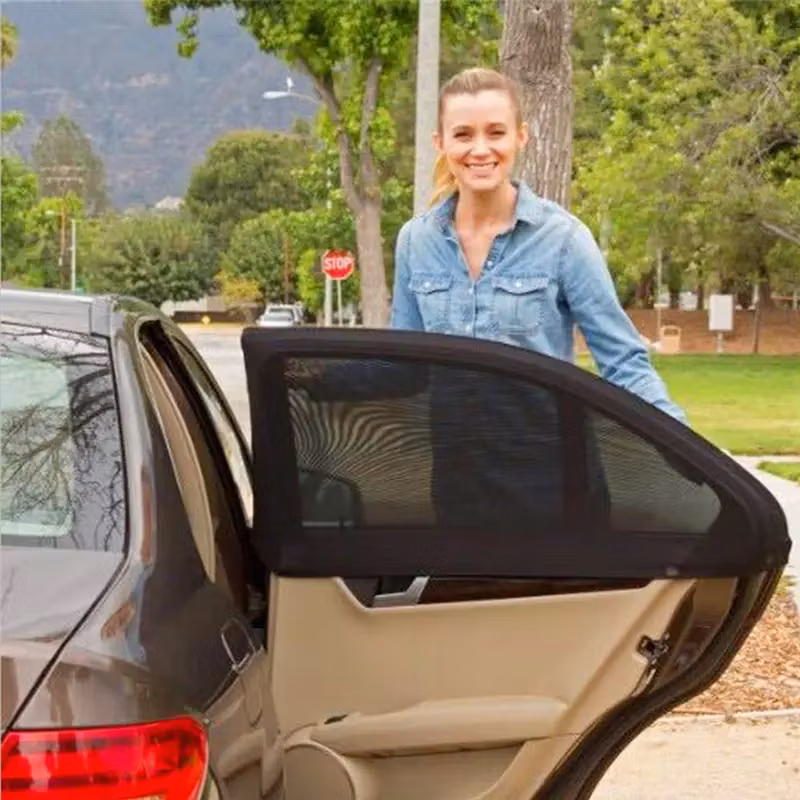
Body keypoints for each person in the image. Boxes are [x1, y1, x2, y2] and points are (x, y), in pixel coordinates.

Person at [391, 66, 686, 424]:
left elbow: (624, 363)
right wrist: (311, 372)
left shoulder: (563, 239)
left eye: (496, 132)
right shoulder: (415, 241)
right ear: (441, 143)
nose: (480, 149)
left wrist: (692, 457)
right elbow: (401, 368)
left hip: (549, 471)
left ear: (521, 136)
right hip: (455, 472)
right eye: (464, 134)